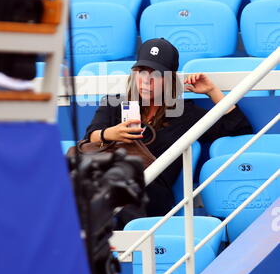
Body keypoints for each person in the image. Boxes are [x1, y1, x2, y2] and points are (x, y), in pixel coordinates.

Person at [84, 38, 253, 227]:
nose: (146, 81)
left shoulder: (184, 113)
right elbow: (90, 137)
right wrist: (110, 134)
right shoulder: (115, 103)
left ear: (170, 80)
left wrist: (213, 92)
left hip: (152, 193)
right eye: (141, 72)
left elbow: (239, 128)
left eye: (156, 74)